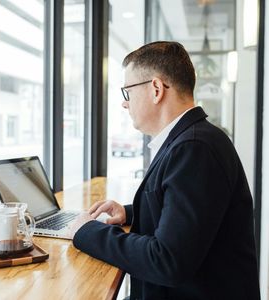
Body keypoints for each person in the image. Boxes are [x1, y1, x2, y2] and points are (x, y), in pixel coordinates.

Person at [67, 41, 260, 300]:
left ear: (156, 89)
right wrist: (129, 212)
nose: (125, 104)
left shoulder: (194, 148)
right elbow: (190, 214)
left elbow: (167, 261)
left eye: (128, 92)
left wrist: (87, 231)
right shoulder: (194, 139)